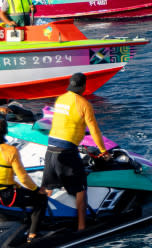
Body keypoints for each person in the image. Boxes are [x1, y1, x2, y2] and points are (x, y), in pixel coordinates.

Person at [43, 73, 108, 232]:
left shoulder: (60, 99)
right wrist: (103, 151)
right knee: (80, 189)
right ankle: (82, 228)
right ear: (83, 86)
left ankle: (36, 222)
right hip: (66, 150)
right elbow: (94, 130)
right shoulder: (84, 104)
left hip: (50, 147)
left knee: (47, 188)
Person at [0, 119, 48, 240]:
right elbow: (23, 177)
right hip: (2, 195)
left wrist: (18, 186)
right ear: (5, 131)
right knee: (40, 199)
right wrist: (37, 189)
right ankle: (33, 235)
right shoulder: (10, 150)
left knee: (23, 194)